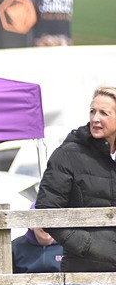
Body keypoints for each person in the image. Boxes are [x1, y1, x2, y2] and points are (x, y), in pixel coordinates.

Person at [35, 86, 116, 272]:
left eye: (104, 113)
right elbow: (47, 212)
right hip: (84, 273)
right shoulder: (66, 155)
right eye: (92, 111)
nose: (95, 118)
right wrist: (86, 246)